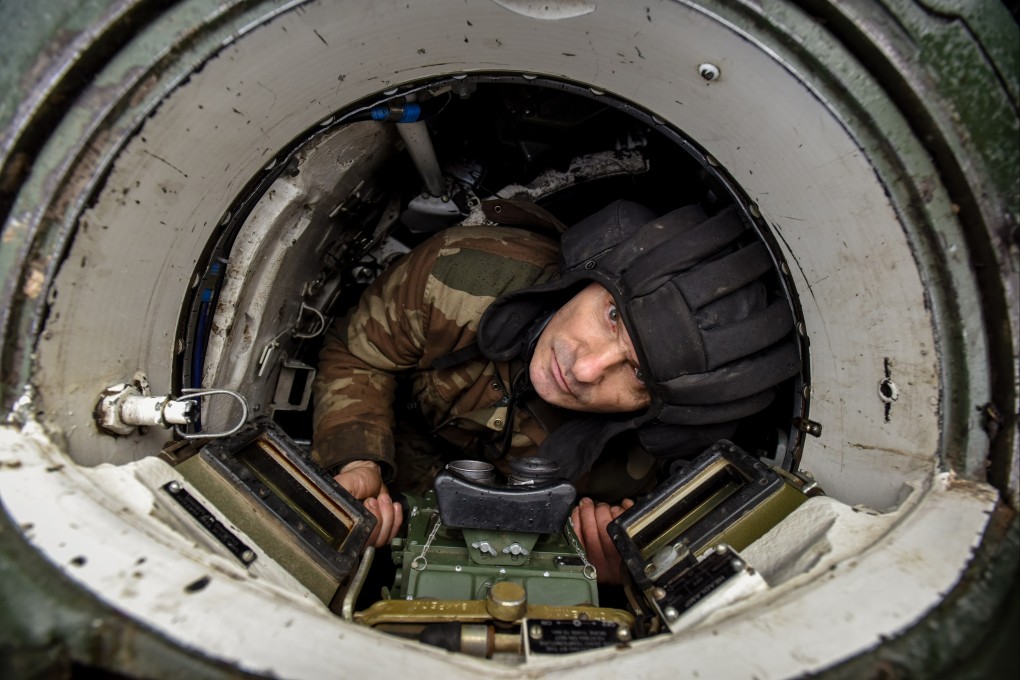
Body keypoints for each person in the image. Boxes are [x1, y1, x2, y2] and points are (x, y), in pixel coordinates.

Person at [311, 197, 800, 583]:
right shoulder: (457, 275)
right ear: (593, 275)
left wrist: (619, 569)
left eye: (639, 376)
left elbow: (665, 563)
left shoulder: (645, 476)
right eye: (612, 318)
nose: (585, 369)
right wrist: (357, 460)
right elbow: (358, 355)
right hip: (400, 458)